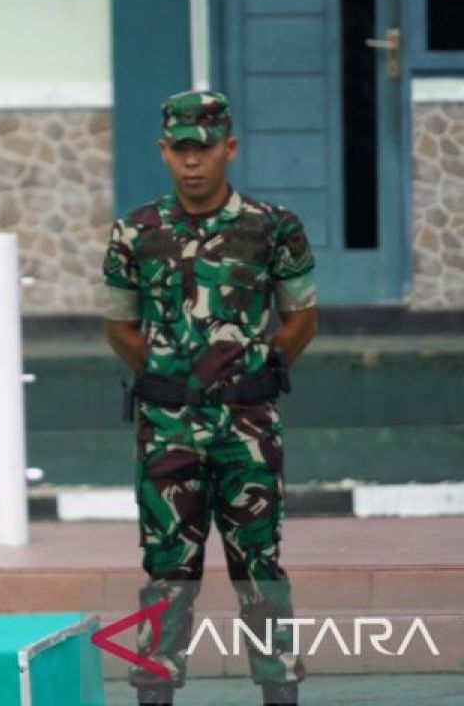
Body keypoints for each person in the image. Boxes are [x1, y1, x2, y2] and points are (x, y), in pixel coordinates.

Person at [102, 91, 317, 706]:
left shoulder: (272, 227)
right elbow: (119, 324)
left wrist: (255, 369)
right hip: (166, 427)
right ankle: (155, 691)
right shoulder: (135, 232)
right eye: (181, 149)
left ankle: (279, 690)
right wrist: (176, 377)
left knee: (260, 567)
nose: (193, 162)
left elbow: (301, 315)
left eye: (205, 148)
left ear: (230, 148)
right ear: (164, 152)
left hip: (248, 424)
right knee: (168, 569)